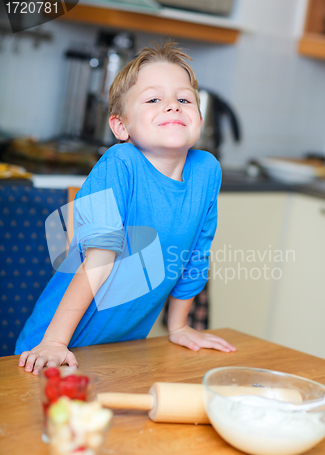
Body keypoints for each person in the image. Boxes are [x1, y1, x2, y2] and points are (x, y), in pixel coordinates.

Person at [16, 41, 236, 375]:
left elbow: (195, 257)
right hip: (53, 346)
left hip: (121, 352)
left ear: (199, 117)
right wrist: (55, 343)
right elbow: (99, 259)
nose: (173, 107)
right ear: (121, 126)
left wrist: (178, 327)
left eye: (183, 99)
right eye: (153, 99)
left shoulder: (207, 171)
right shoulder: (119, 164)